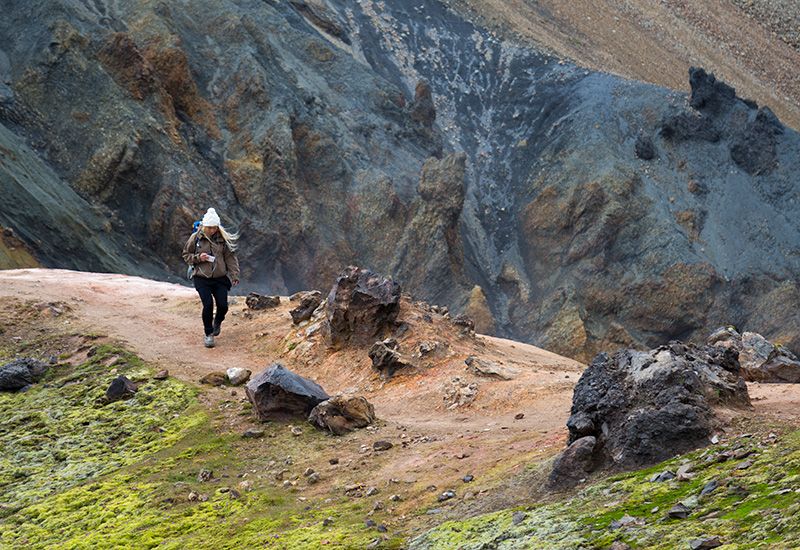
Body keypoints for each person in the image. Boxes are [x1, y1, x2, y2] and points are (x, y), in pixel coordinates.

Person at [182, 208, 240, 348]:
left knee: (223, 306)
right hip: (202, 278)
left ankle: (217, 322)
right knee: (207, 305)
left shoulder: (222, 239)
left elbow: (230, 258)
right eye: (210, 227)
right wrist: (198, 258)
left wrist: (234, 274)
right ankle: (209, 334)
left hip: (219, 278)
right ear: (204, 226)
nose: (212, 230)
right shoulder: (196, 238)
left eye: (215, 227)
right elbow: (186, 255)